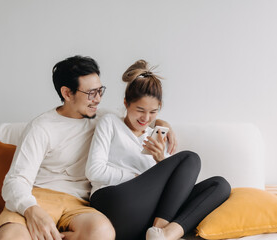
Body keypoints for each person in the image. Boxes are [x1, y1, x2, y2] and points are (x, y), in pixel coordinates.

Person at [0, 56, 177, 240]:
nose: (97, 99)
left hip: (79, 205)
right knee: (11, 236)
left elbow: (139, 113)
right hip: (40, 196)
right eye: (91, 93)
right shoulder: (42, 127)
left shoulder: (104, 119)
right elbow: (15, 180)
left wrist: (161, 122)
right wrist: (31, 210)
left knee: (103, 232)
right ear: (67, 93)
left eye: (100, 91)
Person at [86, 60, 231, 240]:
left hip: (146, 215)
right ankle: (162, 228)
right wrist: (138, 177)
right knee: (190, 158)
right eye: (140, 110)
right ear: (126, 103)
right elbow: (94, 171)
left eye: (153, 112)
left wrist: (161, 161)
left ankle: (166, 234)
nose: (146, 118)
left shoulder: (155, 136)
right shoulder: (110, 122)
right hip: (114, 203)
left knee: (220, 185)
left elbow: (173, 192)